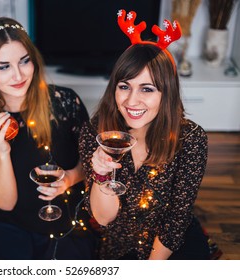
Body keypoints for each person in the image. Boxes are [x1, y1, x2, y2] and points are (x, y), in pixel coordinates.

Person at [78, 9, 210, 260]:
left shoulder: (191, 139)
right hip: (119, 244)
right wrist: (101, 174)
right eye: (124, 86)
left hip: (169, 244)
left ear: (166, 93)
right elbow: (104, 217)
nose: (131, 100)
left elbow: (177, 219)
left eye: (147, 89)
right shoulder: (96, 133)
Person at [0, 17, 97, 260]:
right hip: (9, 226)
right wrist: (1, 150)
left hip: (65, 220)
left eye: (24, 61)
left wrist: (69, 178)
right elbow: (5, 204)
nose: (18, 75)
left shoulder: (65, 103)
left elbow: (92, 163)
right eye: (3, 66)